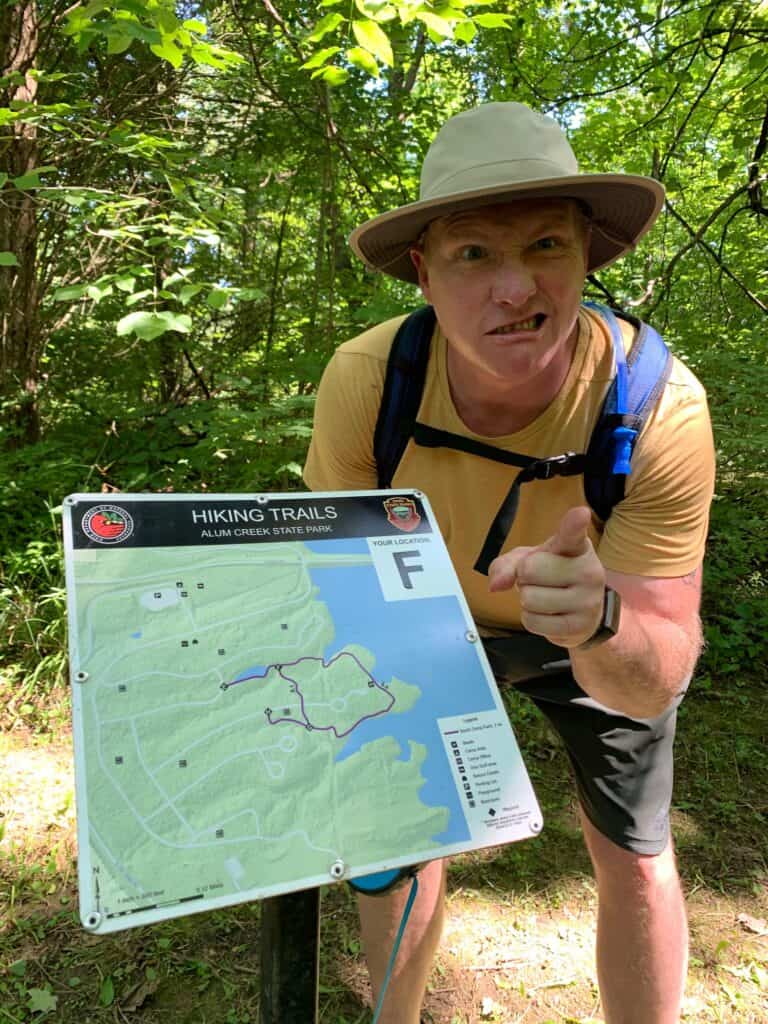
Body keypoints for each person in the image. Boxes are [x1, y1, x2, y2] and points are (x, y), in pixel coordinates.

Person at [303, 102, 715, 1024]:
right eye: (474, 254)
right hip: (424, 626)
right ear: (424, 272)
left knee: (636, 851)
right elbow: (339, 576)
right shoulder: (369, 379)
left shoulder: (656, 406)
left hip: (591, 628)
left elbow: (656, 677)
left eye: (545, 246)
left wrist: (599, 617)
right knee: (401, 835)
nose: (514, 286)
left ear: (586, 259)